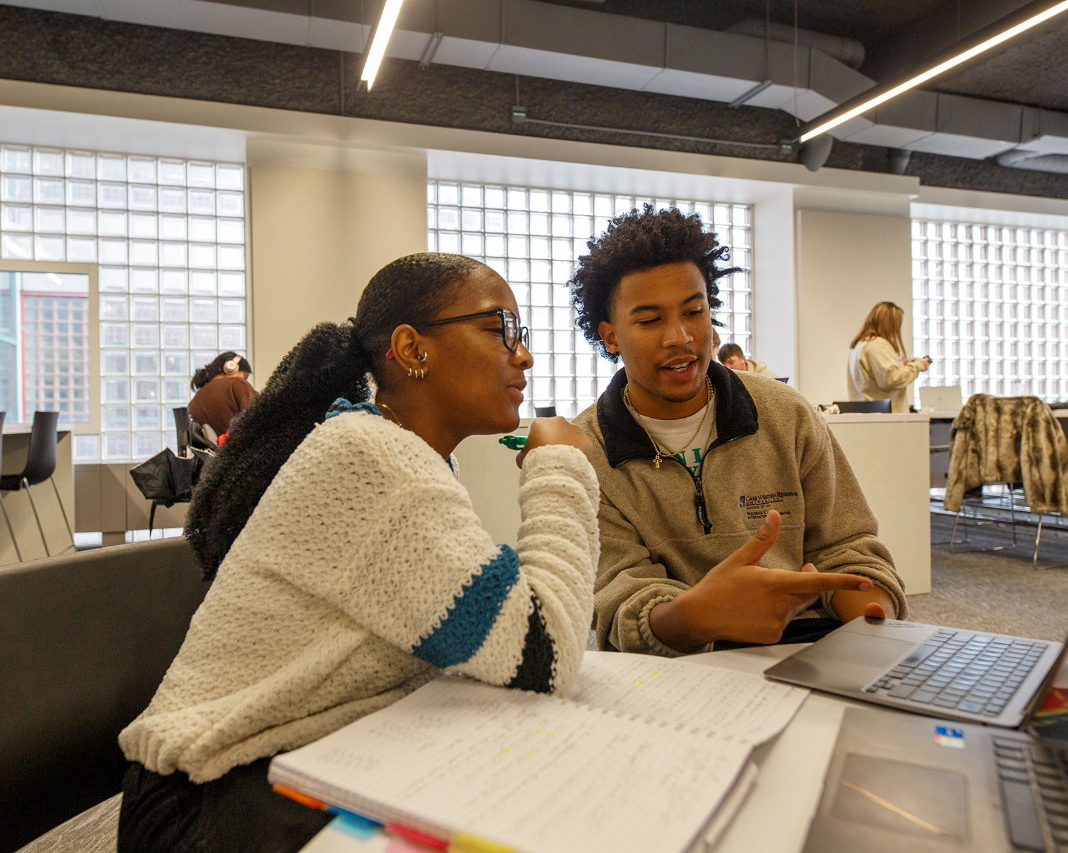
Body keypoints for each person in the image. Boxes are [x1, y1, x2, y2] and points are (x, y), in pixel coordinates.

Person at [117, 253, 601, 852]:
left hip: (289, 760)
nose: (522, 355)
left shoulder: (396, 450)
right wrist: (560, 464)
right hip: (206, 799)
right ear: (413, 348)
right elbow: (547, 649)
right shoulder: (373, 460)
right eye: (499, 329)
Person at [567, 205, 907, 656]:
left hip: (809, 646)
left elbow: (848, 548)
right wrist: (700, 614)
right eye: (650, 320)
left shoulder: (786, 414)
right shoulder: (587, 449)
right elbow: (620, 598)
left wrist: (874, 621)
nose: (680, 337)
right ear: (611, 337)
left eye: (694, 311)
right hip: (678, 667)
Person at [846, 301, 931, 413]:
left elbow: (876, 377)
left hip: (867, 413)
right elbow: (891, 379)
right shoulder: (878, 345)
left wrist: (901, 366)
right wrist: (918, 365)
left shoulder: (860, 344)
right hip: (884, 416)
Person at [188, 351, 258, 437]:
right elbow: (258, 416)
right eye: (245, 376)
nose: (245, 380)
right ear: (231, 368)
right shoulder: (237, 383)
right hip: (239, 444)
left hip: (216, 445)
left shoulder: (197, 397)